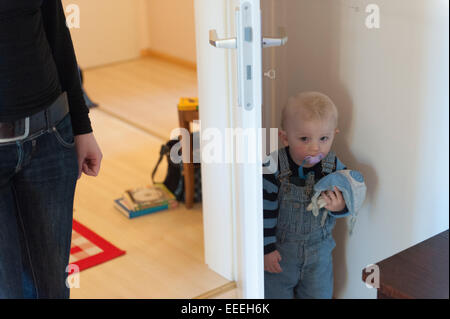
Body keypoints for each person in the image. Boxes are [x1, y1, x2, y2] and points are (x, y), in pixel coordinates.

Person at [0, 1, 102, 298]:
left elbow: (57, 33)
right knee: (9, 291)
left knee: (51, 288)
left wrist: (82, 127)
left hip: (50, 136)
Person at [263, 91, 349, 299]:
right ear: (285, 137)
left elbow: (350, 195)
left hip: (319, 255)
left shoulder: (334, 166)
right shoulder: (273, 166)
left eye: (324, 138)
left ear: (334, 135)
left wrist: (340, 207)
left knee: (319, 294)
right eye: (304, 139)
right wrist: (266, 249)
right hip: (281, 253)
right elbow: (263, 209)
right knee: (274, 293)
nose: (315, 147)